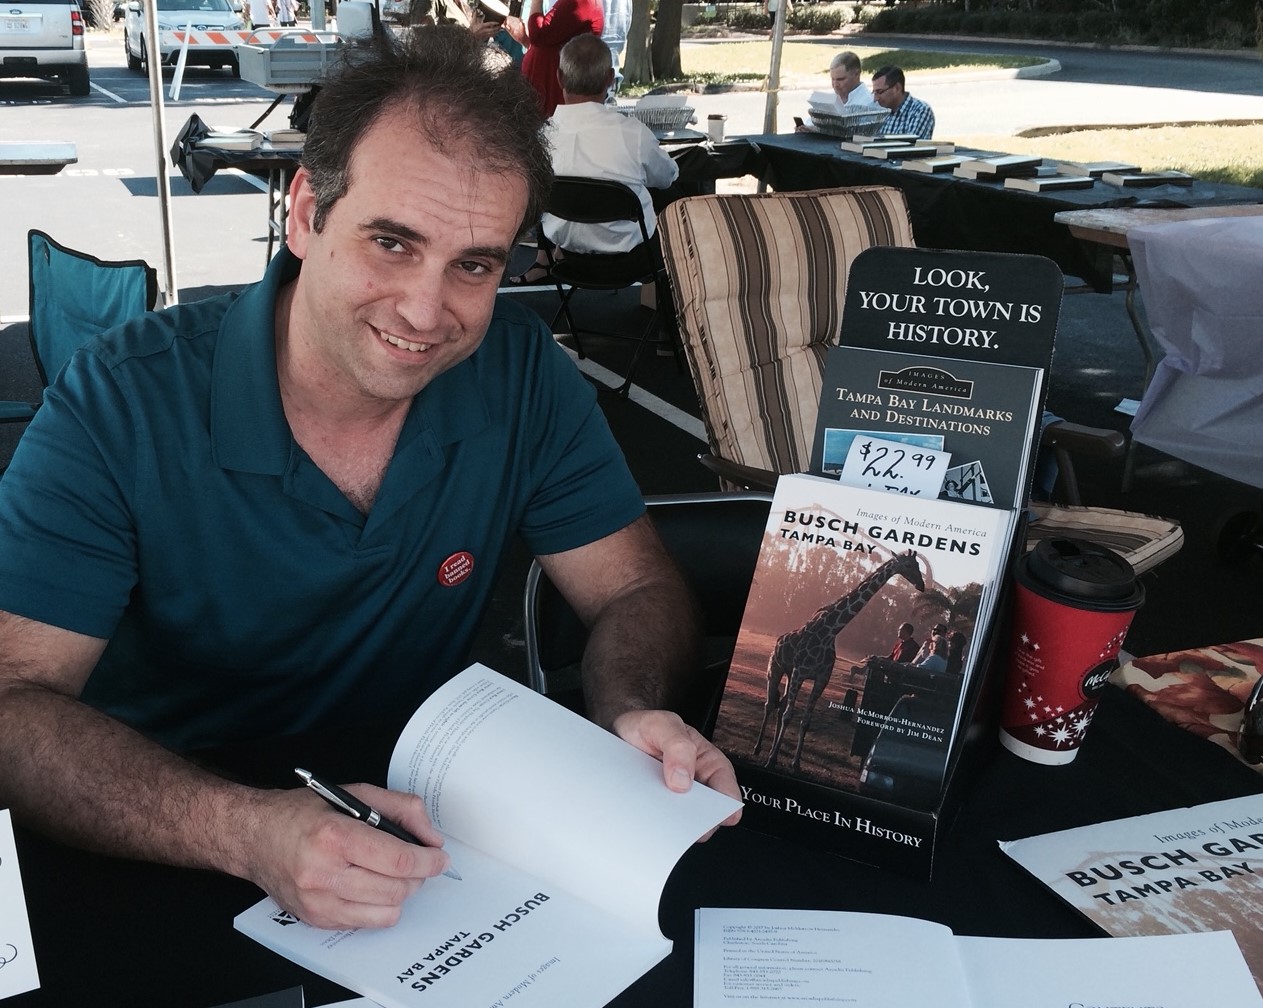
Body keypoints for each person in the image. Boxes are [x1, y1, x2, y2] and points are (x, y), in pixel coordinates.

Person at [0, 25, 738, 935]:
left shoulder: (521, 372)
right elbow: (12, 707)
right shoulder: (122, 400)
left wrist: (627, 710)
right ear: (306, 213)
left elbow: (632, 583)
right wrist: (245, 829)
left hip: (433, 846)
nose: (427, 312)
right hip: (165, 839)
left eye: (474, 265)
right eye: (392, 242)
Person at [509, 33, 678, 285]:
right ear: (610, 79)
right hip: (631, 260)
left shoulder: (539, 139)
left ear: (560, 77)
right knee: (678, 193)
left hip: (568, 258)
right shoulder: (633, 134)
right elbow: (668, 178)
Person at [520, 0, 602, 118]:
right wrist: (524, 40)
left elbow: (538, 33)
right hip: (544, 98)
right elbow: (549, 45)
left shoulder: (580, 2)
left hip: (554, 99)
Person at [795, 51, 873, 133]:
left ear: (856, 74)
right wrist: (804, 129)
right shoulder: (831, 98)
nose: (835, 84)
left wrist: (819, 131)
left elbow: (859, 136)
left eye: (841, 79)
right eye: (833, 79)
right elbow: (811, 122)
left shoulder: (868, 102)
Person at [871, 64, 936, 139]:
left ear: (897, 88)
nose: (875, 98)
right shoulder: (883, 112)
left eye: (880, 92)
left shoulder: (920, 110)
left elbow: (911, 147)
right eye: (874, 92)